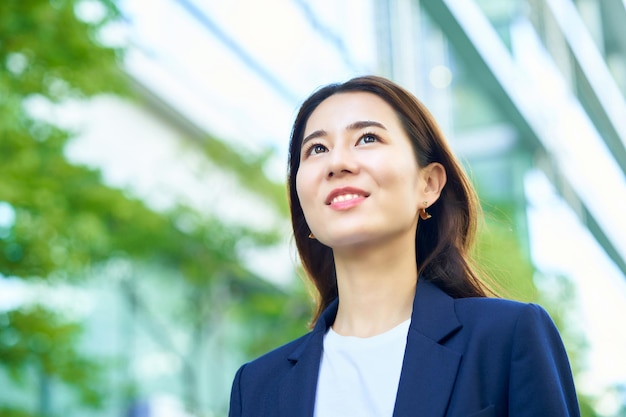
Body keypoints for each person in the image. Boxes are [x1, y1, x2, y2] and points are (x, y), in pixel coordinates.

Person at [228, 75, 580, 417]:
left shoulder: (506, 338)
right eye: (317, 149)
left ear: (428, 184)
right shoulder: (257, 387)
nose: (337, 163)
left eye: (367, 138)